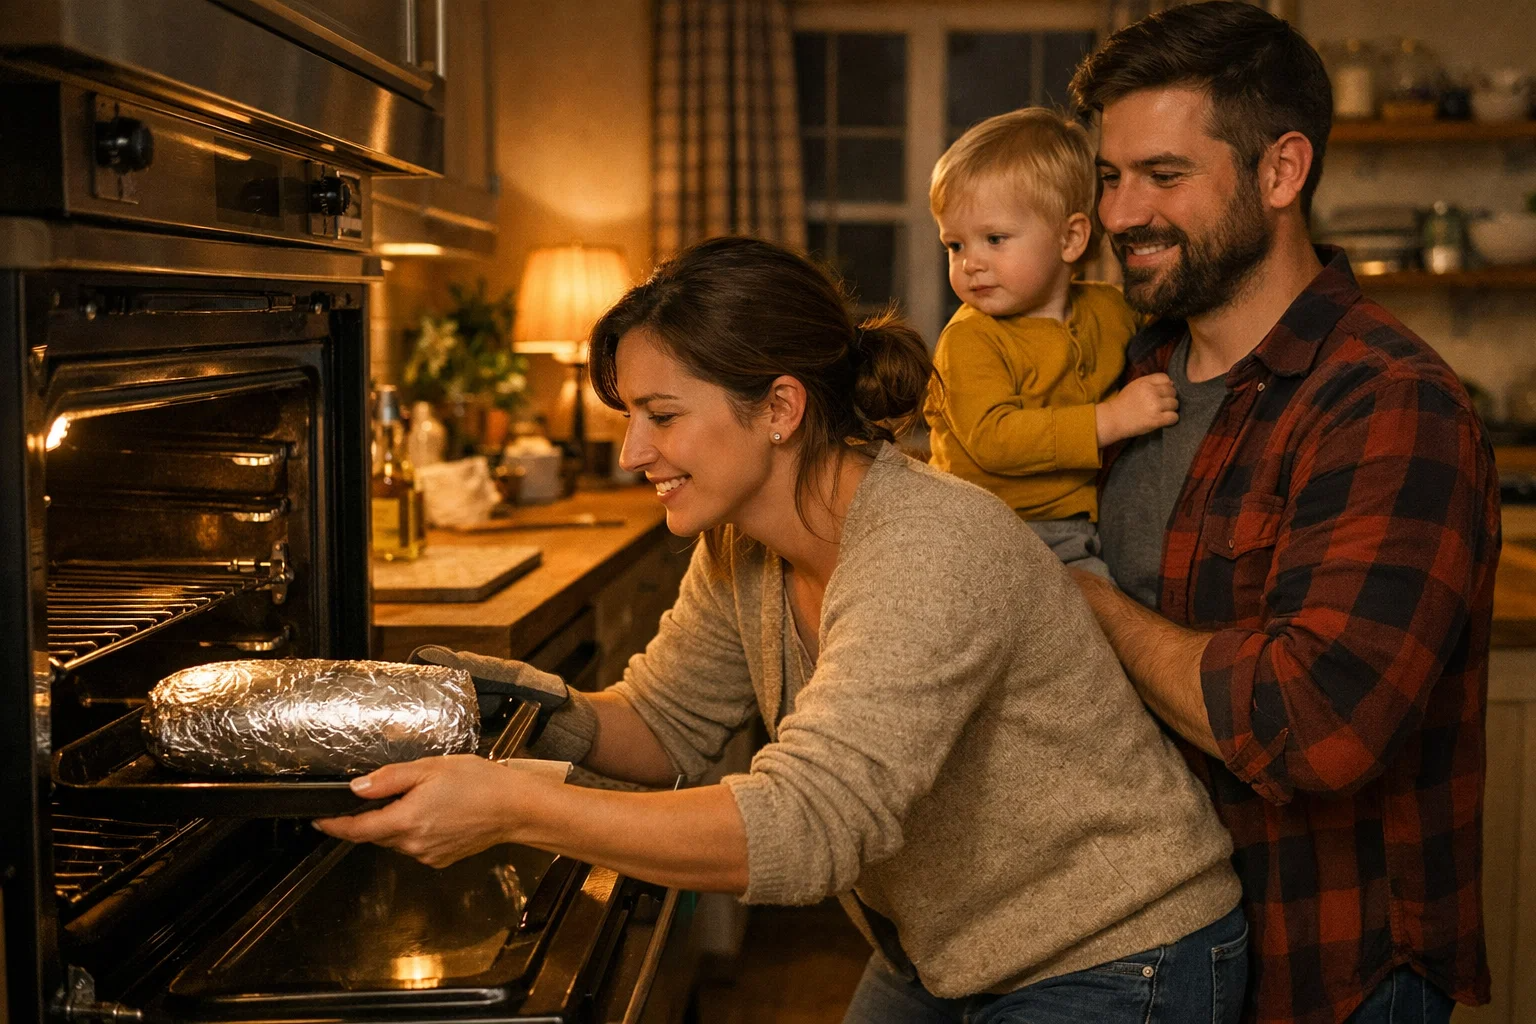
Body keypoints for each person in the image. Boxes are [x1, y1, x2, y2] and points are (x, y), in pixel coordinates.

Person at [318, 236, 1248, 1023]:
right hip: (948, 946)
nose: (634, 451)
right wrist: (484, 695)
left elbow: (808, 826)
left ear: (779, 408)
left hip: (1119, 951)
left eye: (662, 415)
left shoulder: (928, 547)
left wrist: (513, 806)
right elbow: (663, 723)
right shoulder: (743, 546)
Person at [1065, 4, 1501, 1023]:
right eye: (1110, 177)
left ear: (1280, 171)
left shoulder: (1390, 399)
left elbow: (1318, 728)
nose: (1122, 214)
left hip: (1324, 964)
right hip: (1134, 955)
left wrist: (1084, 603)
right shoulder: (1128, 378)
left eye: (1164, 176)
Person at [924, 107, 1178, 576]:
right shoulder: (970, 337)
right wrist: (1110, 419)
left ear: (1071, 238)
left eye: (994, 239)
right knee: (1093, 633)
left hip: (1084, 522)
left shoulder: (1110, 309)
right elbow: (994, 440)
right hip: (989, 528)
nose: (970, 263)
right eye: (955, 245)